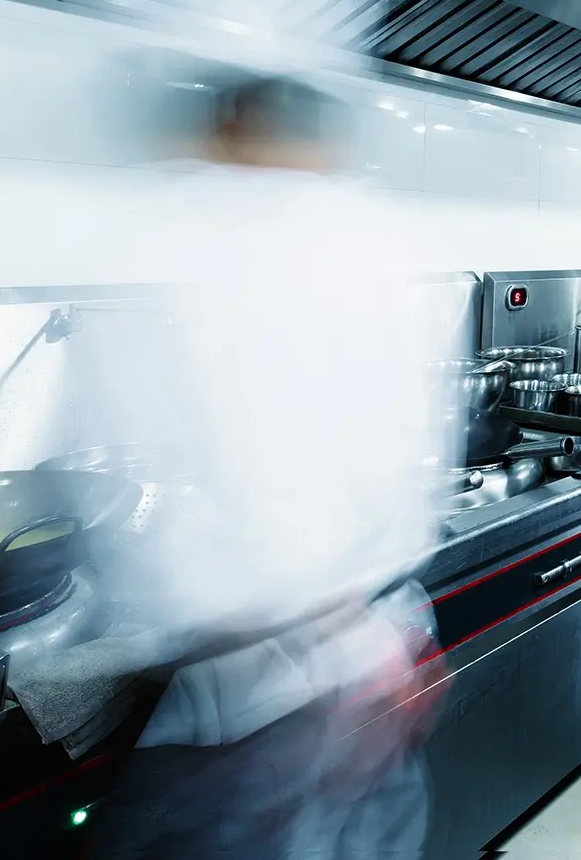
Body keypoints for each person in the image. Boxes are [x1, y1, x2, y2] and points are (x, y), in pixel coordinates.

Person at [89, 72, 448, 859]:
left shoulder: (189, 242)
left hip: (266, 705)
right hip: (366, 660)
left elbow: (246, 507)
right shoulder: (364, 239)